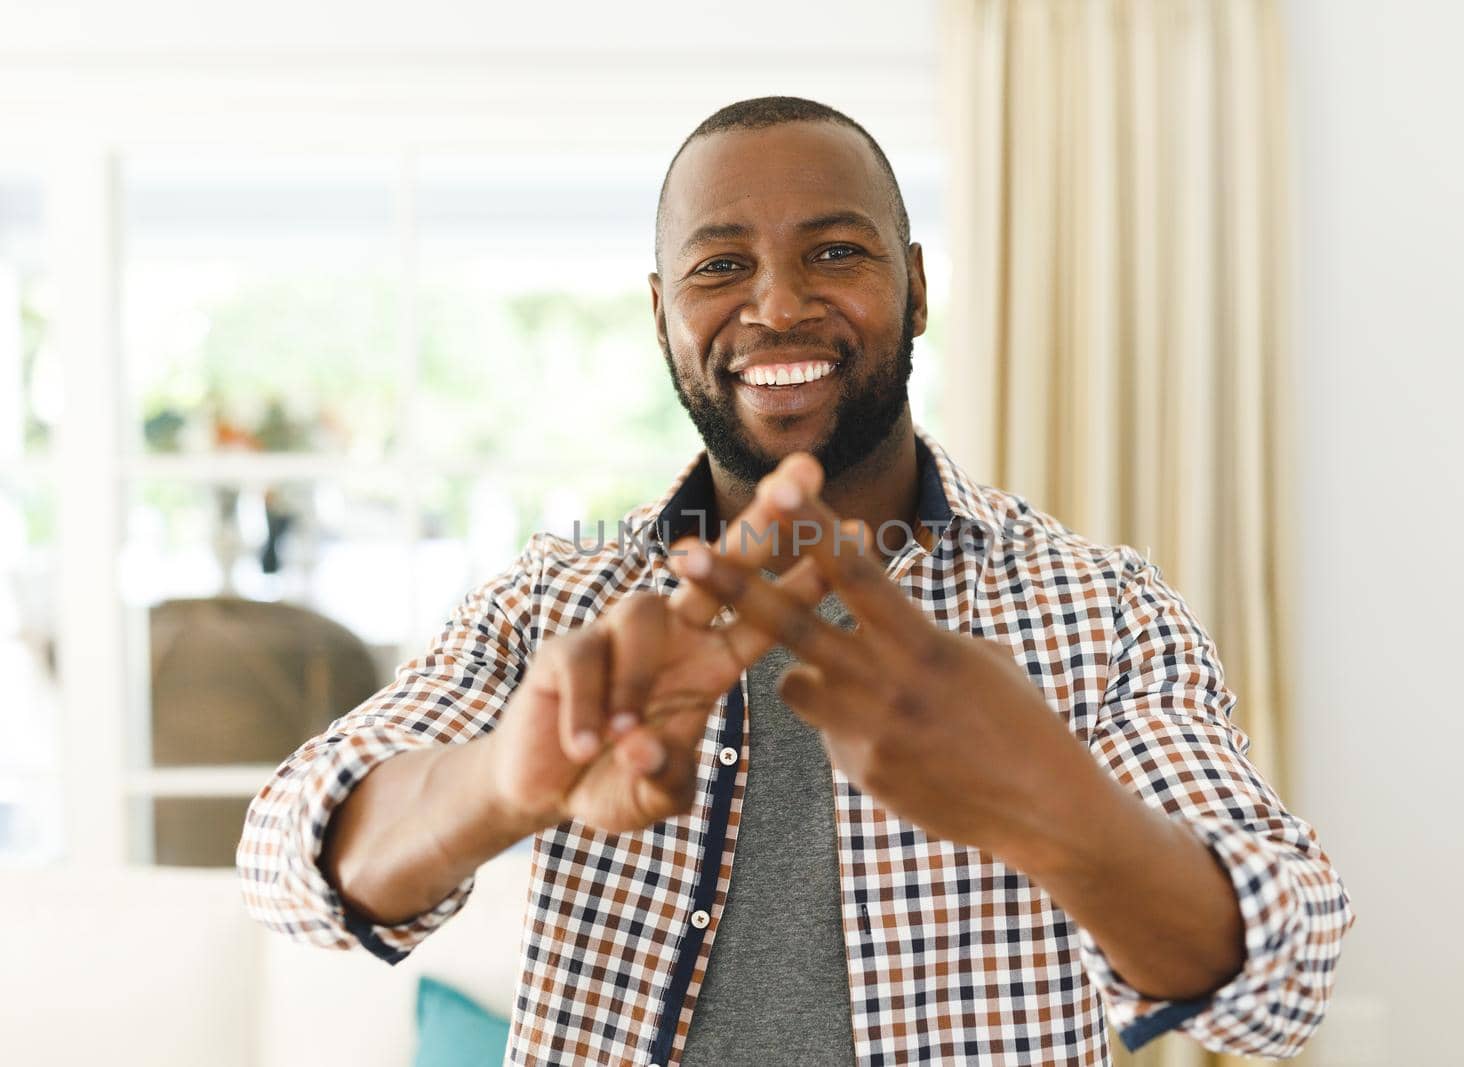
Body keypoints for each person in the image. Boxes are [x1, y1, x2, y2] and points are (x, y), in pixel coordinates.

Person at [239, 96, 1353, 1066]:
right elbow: (287, 865)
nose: (777, 306)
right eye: (721, 266)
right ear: (663, 315)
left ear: (914, 286)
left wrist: (1061, 812)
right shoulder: (556, 602)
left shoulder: (1097, 605)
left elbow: (1283, 972)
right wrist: (500, 782)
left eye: (835, 252)